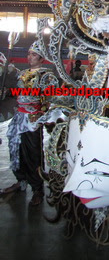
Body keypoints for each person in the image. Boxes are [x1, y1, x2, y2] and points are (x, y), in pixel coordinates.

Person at [0, 41, 55, 206]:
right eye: (29, 54)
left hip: (32, 120)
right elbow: (17, 87)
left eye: (34, 55)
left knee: (32, 154)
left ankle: (37, 189)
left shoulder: (47, 76)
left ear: (41, 58)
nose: (29, 57)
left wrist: (40, 113)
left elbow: (50, 98)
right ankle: (21, 180)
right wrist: (8, 91)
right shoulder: (23, 73)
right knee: (15, 151)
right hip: (18, 119)